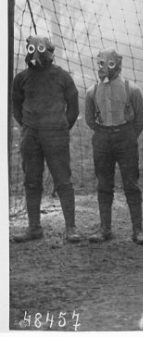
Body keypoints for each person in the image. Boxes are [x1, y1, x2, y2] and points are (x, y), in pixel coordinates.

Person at [11, 36, 81, 243]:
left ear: (49, 51)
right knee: (31, 181)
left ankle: (71, 228)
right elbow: (16, 107)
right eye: (32, 49)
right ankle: (34, 228)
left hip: (56, 135)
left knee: (63, 180)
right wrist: (28, 126)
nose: (36, 54)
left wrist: (60, 126)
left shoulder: (62, 76)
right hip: (31, 136)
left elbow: (74, 107)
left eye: (40, 49)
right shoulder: (21, 78)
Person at [86, 48, 143, 244]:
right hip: (102, 139)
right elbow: (89, 119)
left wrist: (129, 135)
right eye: (101, 63)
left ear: (118, 64)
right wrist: (103, 132)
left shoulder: (132, 88)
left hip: (125, 138)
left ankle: (138, 230)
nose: (105, 68)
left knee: (131, 184)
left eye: (110, 63)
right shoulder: (92, 91)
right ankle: (105, 228)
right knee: (104, 184)